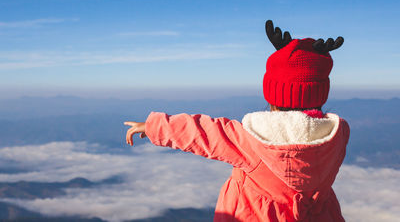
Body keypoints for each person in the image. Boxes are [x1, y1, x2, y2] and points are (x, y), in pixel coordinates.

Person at [124, 20, 350, 222]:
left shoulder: (251, 140)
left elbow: (202, 133)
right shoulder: (338, 136)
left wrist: (153, 126)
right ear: (320, 94)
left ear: (273, 97)